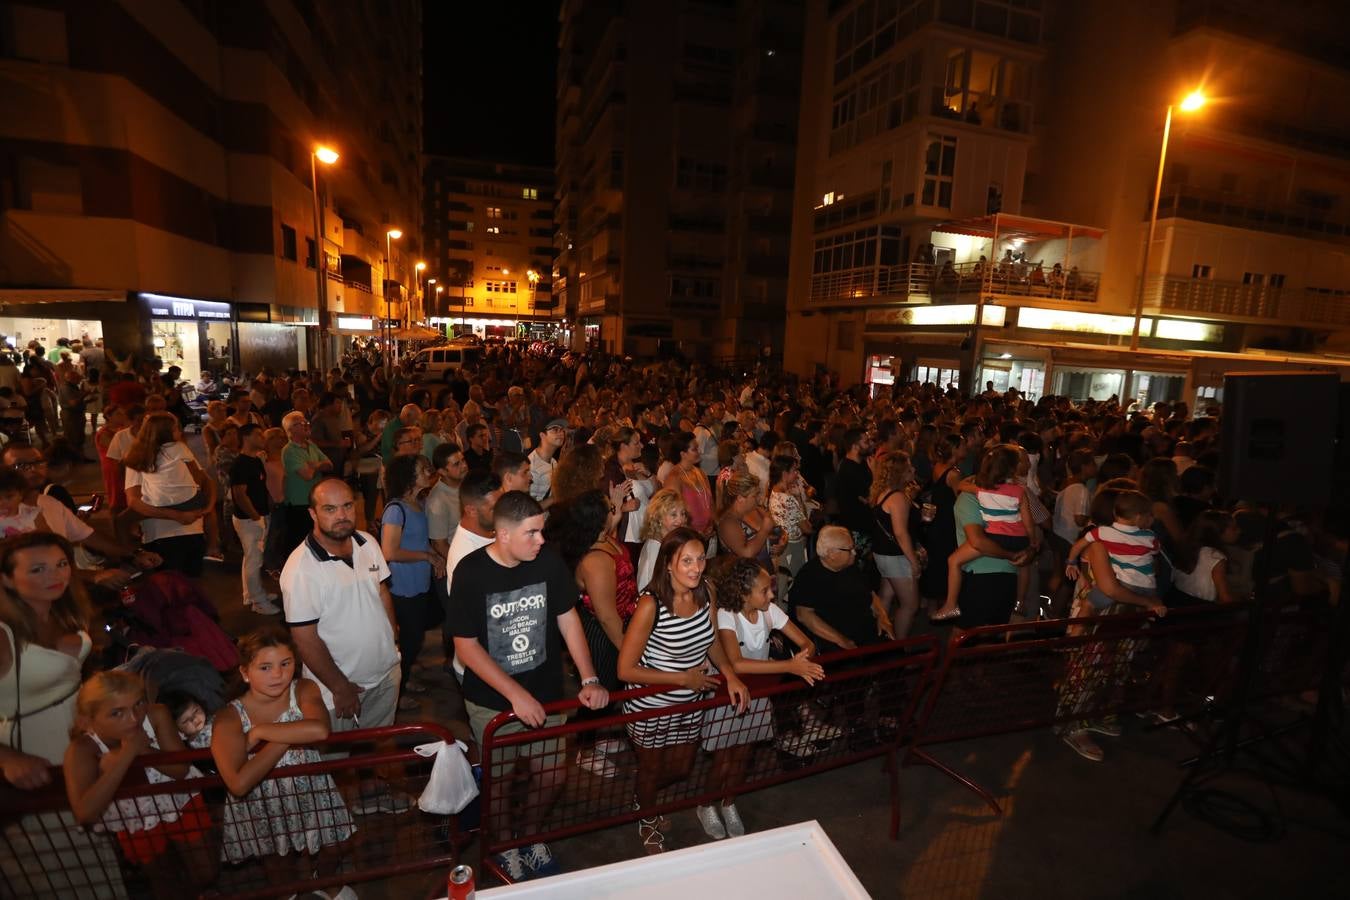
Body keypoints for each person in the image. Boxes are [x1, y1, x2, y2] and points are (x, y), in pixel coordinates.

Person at [448, 491, 611, 881]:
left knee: (552, 774)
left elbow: (568, 619)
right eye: (532, 533)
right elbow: (465, 647)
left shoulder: (548, 563)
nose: (541, 540)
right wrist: (514, 695)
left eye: (541, 531)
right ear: (503, 535)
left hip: (548, 693)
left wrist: (588, 677)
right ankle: (504, 843)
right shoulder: (471, 572)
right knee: (500, 780)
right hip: (491, 701)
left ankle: (532, 834)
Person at [618, 527, 748, 855]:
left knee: (681, 767)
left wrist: (730, 674)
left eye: (700, 558)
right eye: (686, 560)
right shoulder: (651, 604)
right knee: (650, 769)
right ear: (668, 564)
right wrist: (681, 679)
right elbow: (625, 669)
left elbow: (713, 641)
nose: (695, 567)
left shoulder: (707, 591)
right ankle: (646, 818)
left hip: (690, 701)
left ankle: (641, 796)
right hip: (650, 704)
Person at [211, 628, 356, 898]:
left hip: (310, 790)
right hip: (262, 802)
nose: (277, 675)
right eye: (265, 667)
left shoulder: (303, 688)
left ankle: (320, 882)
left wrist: (260, 732)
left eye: (285, 664)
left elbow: (319, 730)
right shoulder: (229, 717)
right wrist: (288, 734)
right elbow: (239, 783)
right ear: (245, 673)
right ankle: (288, 893)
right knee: (277, 859)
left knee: (336, 843)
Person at [702, 558, 823, 839]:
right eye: (765, 590)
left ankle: (729, 802)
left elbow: (807, 642)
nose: (772, 595)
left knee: (744, 755)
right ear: (744, 593)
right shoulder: (726, 615)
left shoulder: (771, 611)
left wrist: (803, 657)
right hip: (729, 695)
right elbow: (737, 663)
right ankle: (706, 804)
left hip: (759, 694)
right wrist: (790, 667)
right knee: (723, 759)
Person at [63, 671, 210, 900]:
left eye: (138, 704)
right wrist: (127, 754)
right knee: (163, 879)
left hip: (179, 800)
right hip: (135, 817)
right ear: (87, 720)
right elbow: (85, 812)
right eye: (116, 713)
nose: (133, 718)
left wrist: (143, 749)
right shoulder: (83, 749)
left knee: (206, 870)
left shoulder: (156, 715)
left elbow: (180, 769)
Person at [281, 478, 401, 752]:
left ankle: (372, 792)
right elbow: (304, 637)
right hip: (339, 688)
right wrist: (340, 687)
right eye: (330, 509)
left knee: (375, 747)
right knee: (338, 758)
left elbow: (382, 592)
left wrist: (393, 640)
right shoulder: (301, 569)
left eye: (347, 506)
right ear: (313, 513)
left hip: (385, 674)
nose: (342, 516)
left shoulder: (367, 542)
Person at [934, 445, 1036, 623]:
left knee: (953, 560)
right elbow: (1029, 521)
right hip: (1019, 541)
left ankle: (950, 604)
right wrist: (1031, 543)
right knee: (1024, 565)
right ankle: (1020, 602)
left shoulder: (982, 491)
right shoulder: (1020, 491)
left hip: (992, 550)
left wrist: (1009, 555)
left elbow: (978, 541)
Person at [379, 454, 444, 710]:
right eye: (421, 469)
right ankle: (396, 694)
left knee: (414, 638)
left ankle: (405, 680)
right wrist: (427, 556)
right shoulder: (396, 510)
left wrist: (434, 557)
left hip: (419, 583)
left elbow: (419, 541)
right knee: (408, 640)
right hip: (402, 587)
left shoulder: (419, 503)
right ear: (408, 476)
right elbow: (389, 552)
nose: (428, 472)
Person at [123, 411, 218, 575]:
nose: (180, 432)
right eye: (176, 428)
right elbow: (134, 501)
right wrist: (178, 514)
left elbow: (206, 482)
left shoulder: (140, 457)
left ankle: (126, 557)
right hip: (169, 533)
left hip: (185, 531)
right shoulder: (173, 451)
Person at [443, 470, 501, 679]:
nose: (503, 512)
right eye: (495, 508)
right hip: (480, 668)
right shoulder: (466, 557)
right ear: (471, 510)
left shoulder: (491, 532)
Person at [869, 453, 923, 638]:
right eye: (909, 468)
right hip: (895, 556)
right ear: (900, 473)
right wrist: (914, 560)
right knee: (910, 605)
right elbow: (900, 533)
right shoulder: (898, 497)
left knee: (886, 596)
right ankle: (900, 648)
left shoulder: (883, 492)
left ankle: (877, 639)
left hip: (882, 554)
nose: (914, 470)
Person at [230, 424, 280, 615]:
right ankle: (258, 601)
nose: (263, 437)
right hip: (249, 520)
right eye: (258, 434)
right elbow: (239, 494)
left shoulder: (256, 460)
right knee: (254, 560)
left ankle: (250, 594)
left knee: (250, 557)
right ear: (246, 437)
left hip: (258, 516)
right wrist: (256, 517)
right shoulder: (241, 463)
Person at [281, 410, 334, 556]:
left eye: (306, 422)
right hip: (299, 503)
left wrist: (314, 465)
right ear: (290, 430)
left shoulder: (311, 445)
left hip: (314, 501)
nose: (306, 425)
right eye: (301, 423)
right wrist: (318, 466)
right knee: (299, 543)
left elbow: (329, 464)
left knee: (316, 539)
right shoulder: (289, 451)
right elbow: (307, 475)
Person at [715, 470, 780, 568]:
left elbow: (776, 530)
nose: (758, 499)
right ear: (740, 498)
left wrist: (782, 542)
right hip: (745, 579)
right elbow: (746, 553)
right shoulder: (727, 522)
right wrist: (764, 530)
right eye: (754, 496)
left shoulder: (755, 510)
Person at [662, 434, 714, 541]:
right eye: (694, 449)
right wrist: (694, 533)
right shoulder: (674, 478)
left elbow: (710, 503)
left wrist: (711, 524)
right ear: (683, 454)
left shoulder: (700, 473)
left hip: (708, 534)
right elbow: (672, 514)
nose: (699, 452)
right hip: (688, 537)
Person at [636, 488, 688, 592]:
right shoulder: (655, 547)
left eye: (682, 514)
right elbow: (648, 586)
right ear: (658, 517)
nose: (680, 520)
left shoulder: (668, 541)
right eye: (673, 515)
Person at [834, 428, 874, 559]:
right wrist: (876, 474)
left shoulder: (863, 463)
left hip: (866, 525)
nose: (870, 444)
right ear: (855, 446)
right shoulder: (848, 469)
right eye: (866, 441)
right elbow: (869, 499)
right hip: (856, 528)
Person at [528, 419, 567, 506]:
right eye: (555, 430)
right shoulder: (531, 465)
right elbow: (531, 509)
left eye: (562, 430)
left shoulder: (553, 461)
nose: (561, 433)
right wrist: (555, 497)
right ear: (542, 435)